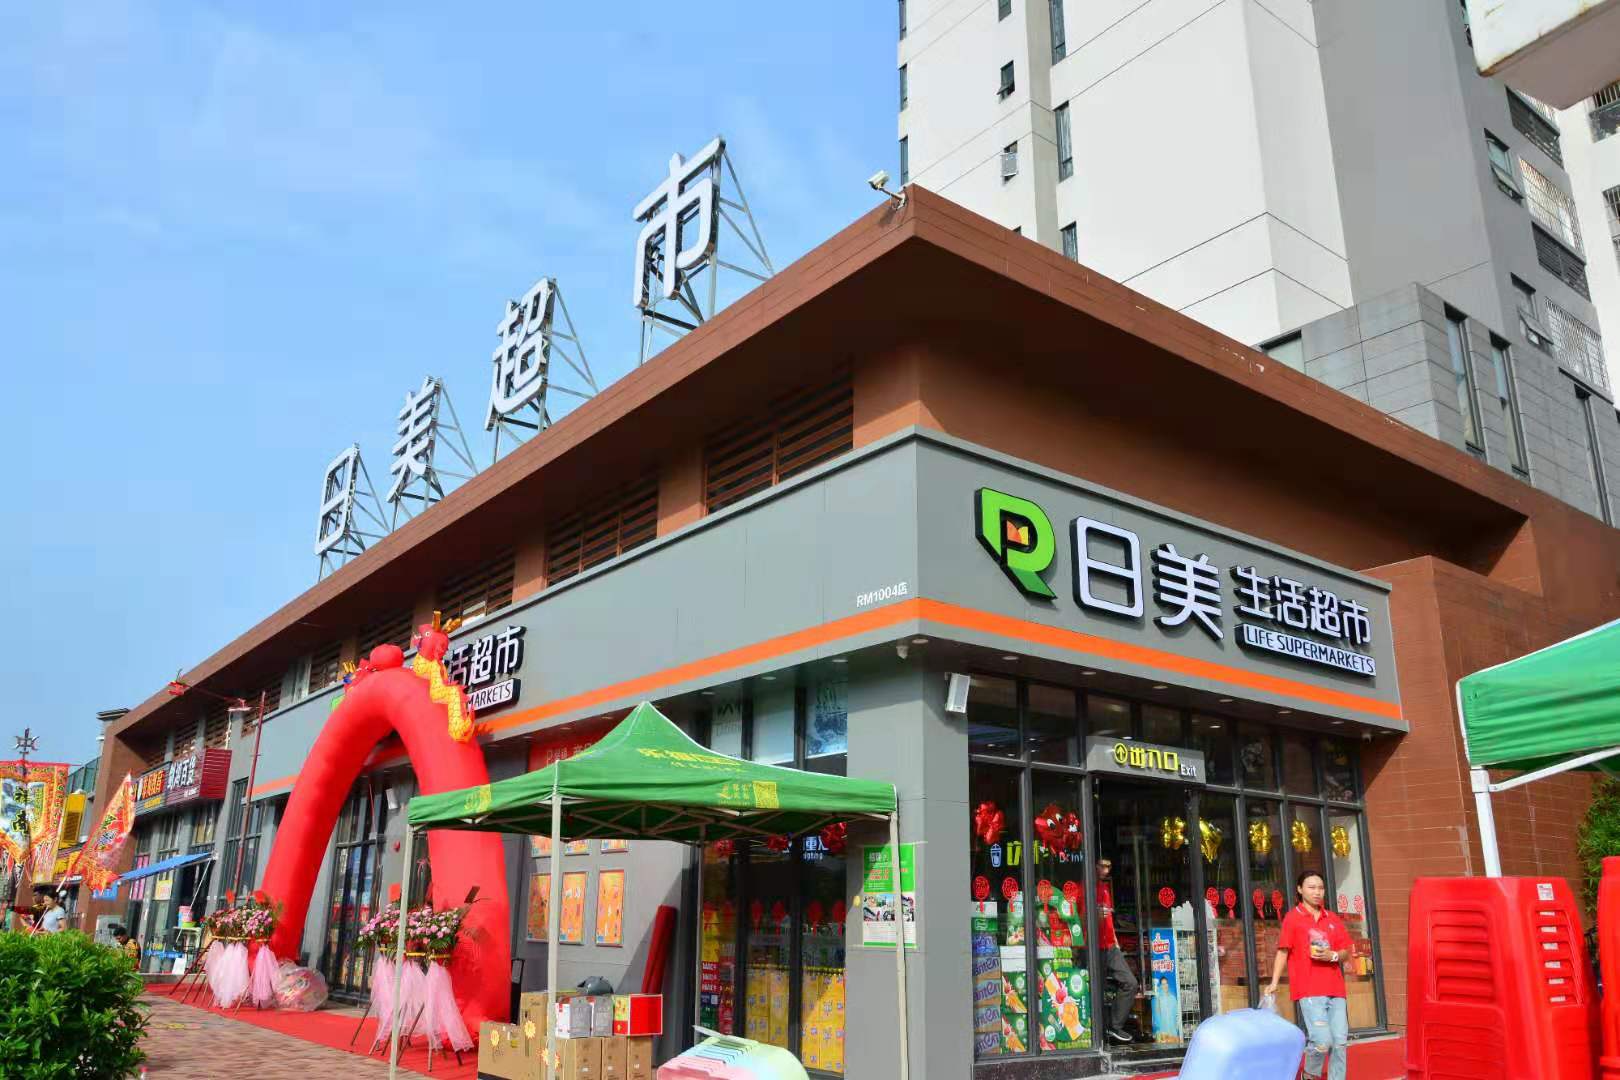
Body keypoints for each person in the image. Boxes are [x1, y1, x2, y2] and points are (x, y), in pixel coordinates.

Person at [1267, 870, 1352, 1080]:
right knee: (1322, 1041)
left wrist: (1332, 955)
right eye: (1311, 887)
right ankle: (1310, 1074)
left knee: (1340, 1043)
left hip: (1336, 989)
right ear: (1300, 889)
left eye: (1320, 888)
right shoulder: (1293, 918)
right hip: (1309, 990)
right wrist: (1274, 982)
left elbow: (1346, 951)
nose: (1317, 892)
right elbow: (1283, 951)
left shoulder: (1331, 918)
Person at [1096, 857, 1139, 1045]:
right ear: (1094, 866)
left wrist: (1115, 940)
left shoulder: (1105, 889)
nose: (1106, 871)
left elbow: (1108, 919)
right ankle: (1097, 1031)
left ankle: (1114, 1025)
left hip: (1110, 945)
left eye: (1109, 867)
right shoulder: (1083, 888)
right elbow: (1078, 918)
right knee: (1096, 989)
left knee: (1130, 982)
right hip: (1092, 946)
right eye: (1102, 866)